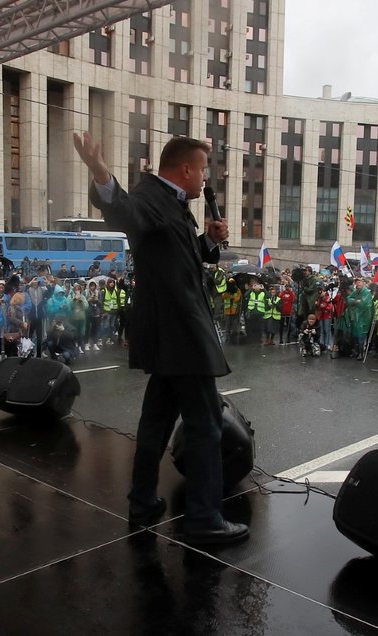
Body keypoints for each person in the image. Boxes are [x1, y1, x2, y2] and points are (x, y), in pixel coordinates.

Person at [73, 131, 248, 545]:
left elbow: (178, 253)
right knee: (205, 425)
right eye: (203, 169)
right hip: (182, 332)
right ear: (185, 168)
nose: (205, 178)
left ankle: (143, 501)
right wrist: (100, 174)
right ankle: (205, 518)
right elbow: (123, 212)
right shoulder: (151, 195)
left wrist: (208, 241)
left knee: (155, 422)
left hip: (170, 334)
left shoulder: (174, 203)